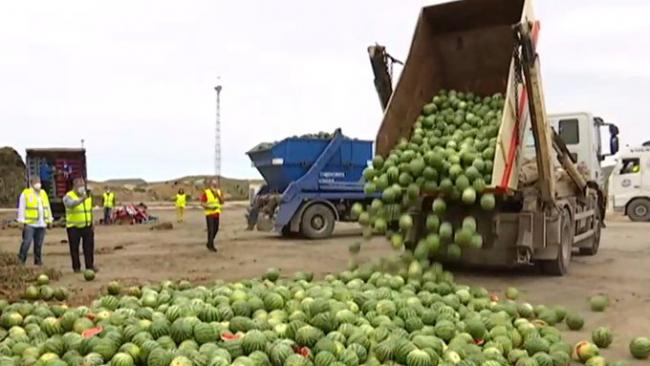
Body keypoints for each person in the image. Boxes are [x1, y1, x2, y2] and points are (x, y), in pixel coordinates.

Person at [16, 176, 53, 265]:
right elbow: (22, 208)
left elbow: (47, 207)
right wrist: (21, 221)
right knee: (27, 242)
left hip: (42, 223)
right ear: (31, 183)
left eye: (39, 181)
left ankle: (38, 260)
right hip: (30, 223)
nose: (38, 183)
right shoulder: (26, 193)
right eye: (36, 182)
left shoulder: (43, 193)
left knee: (39, 244)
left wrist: (49, 220)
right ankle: (21, 259)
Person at [64, 178, 97, 273]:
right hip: (73, 227)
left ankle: (90, 266)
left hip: (87, 225)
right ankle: (76, 267)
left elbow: (89, 210)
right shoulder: (68, 196)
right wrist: (81, 199)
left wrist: (92, 222)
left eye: (83, 186)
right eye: (79, 186)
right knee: (74, 248)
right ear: (74, 187)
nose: (82, 188)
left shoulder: (87, 197)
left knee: (89, 247)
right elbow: (71, 205)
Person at [200, 179, 224, 252]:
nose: (215, 184)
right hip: (209, 213)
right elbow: (202, 203)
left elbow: (222, 202)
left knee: (216, 229)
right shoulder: (206, 192)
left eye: (216, 183)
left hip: (216, 213)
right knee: (211, 230)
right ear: (211, 184)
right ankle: (211, 246)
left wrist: (218, 196)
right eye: (213, 183)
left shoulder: (219, 192)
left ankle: (209, 242)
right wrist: (209, 207)